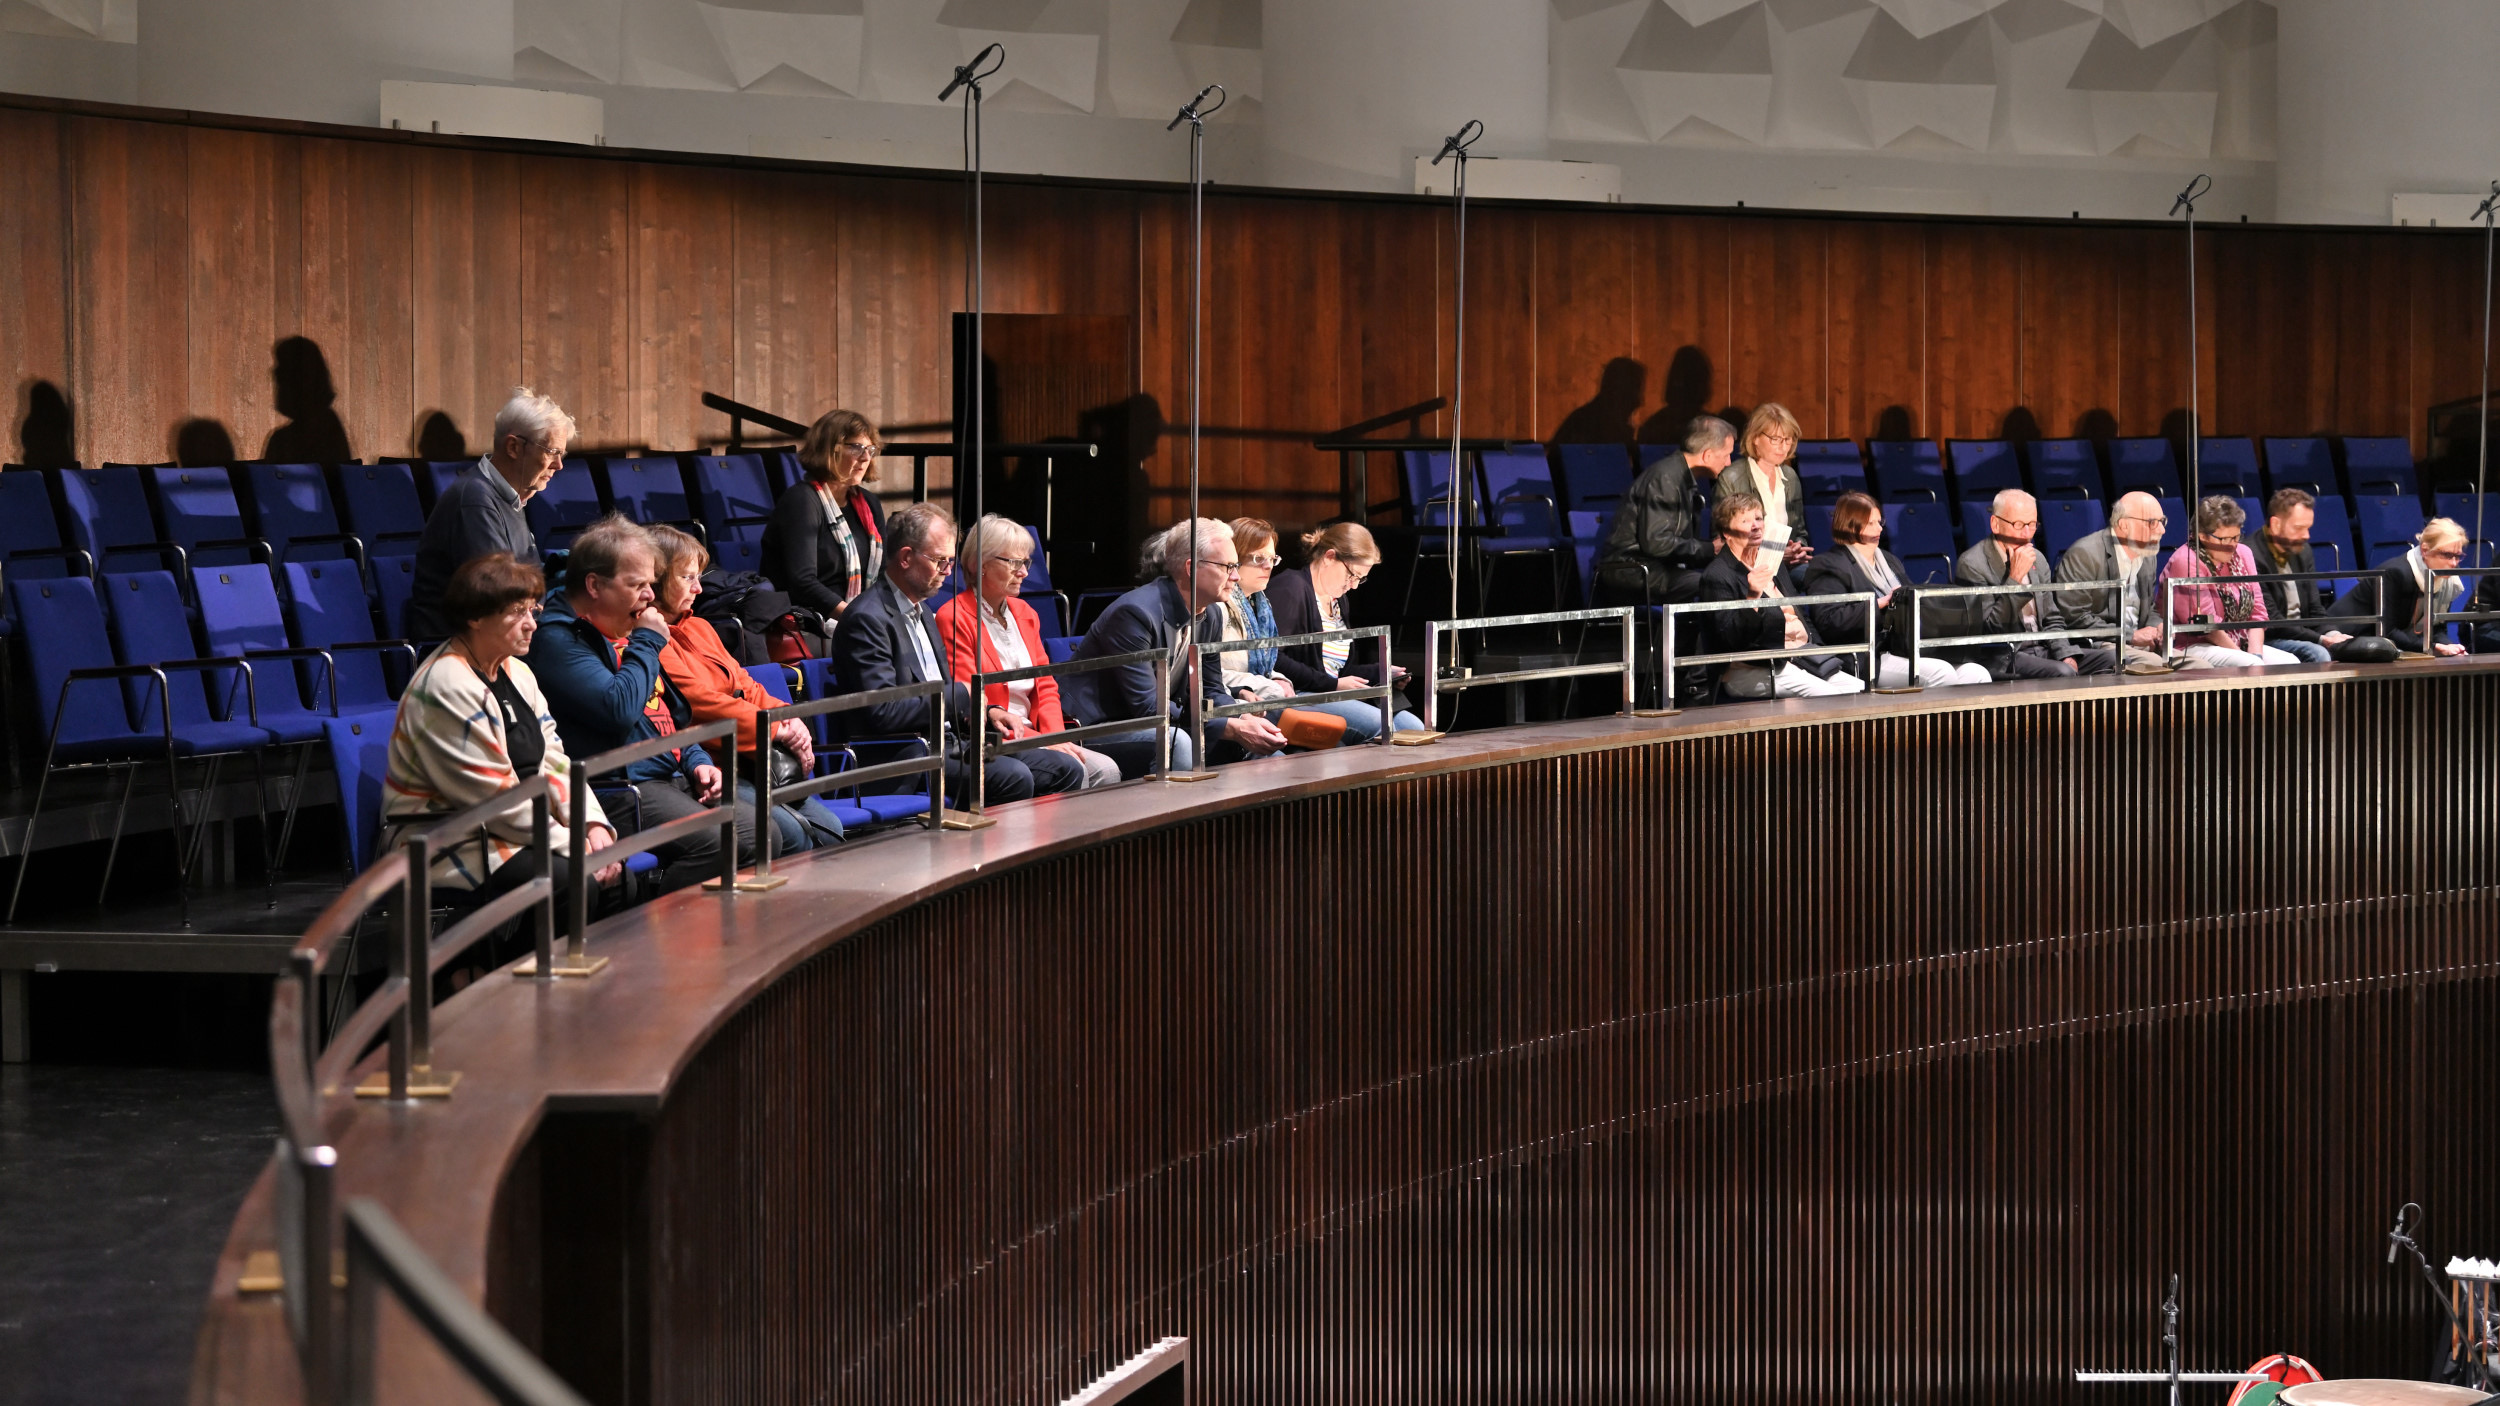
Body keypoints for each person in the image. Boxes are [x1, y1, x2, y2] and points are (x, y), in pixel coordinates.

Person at [527, 515, 759, 893]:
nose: (650, 597)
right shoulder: (559, 640)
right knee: (723, 842)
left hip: (668, 775)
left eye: (651, 584)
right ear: (594, 585)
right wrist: (648, 642)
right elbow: (619, 712)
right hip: (618, 787)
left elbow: (667, 712)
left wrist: (698, 760)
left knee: (763, 832)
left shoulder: (619, 625)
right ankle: (648, 933)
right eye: (638, 585)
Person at [381, 553, 621, 916]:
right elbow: (494, 801)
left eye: (532, 611)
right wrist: (575, 845)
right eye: (516, 613)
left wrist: (592, 826)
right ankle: (482, 972)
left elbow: (554, 760)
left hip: (511, 831)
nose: (531, 625)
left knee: (619, 881)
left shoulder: (518, 672)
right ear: (474, 618)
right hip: (451, 841)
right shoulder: (446, 686)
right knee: (572, 881)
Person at [831, 502, 1088, 803]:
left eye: (950, 561)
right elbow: (884, 712)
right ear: (905, 558)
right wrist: (962, 694)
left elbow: (945, 695)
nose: (948, 572)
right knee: (1014, 777)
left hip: (951, 743)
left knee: (1066, 768)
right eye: (940, 561)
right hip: (907, 755)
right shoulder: (867, 619)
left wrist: (989, 713)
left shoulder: (923, 611)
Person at [645, 526, 849, 854]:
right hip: (713, 763)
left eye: (700, 577)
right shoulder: (649, 638)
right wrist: (776, 727)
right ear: (655, 577)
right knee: (790, 835)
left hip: (754, 755)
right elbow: (698, 703)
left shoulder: (699, 626)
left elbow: (747, 686)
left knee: (830, 829)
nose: (699, 588)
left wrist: (789, 721)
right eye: (687, 578)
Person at [1062, 518, 1292, 775]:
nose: (1235, 576)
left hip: (1161, 719)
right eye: (1228, 566)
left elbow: (1211, 688)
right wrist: (1229, 726)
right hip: (1100, 726)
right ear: (1191, 568)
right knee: (1179, 741)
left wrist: (1240, 718)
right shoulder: (1134, 613)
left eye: (1235, 566)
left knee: (1264, 743)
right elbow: (1148, 708)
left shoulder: (1212, 613)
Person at [933, 513, 1123, 789]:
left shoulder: (1025, 613)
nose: (1023, 572)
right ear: (979, 564)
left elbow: (1045, 686)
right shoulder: (953, 616)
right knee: (1079, 770)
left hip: (1037, 732)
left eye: (1025, 563)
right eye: (1013, 562)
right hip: (995, 735)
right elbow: (969, 696)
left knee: (1107, 769)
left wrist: (1055, 737)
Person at [407, 387, 569, 640]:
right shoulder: (475, 500)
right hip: (461, 656)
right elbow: (500, 599)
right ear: (514, 448)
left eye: (562, 454)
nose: (559, 465)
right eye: (551, 452)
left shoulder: (509, 498)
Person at [1241, 520, 1422, 743]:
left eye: (1361, 579)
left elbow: (1338, 669)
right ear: (1329, 557)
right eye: (1352, 575)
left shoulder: (1339, 601)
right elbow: (1272, 658)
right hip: (1299, 694)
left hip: (1328, 693)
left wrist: (1380, 672)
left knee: (1414, 726)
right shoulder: (1292, 588)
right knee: (1380, 725)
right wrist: (1332, 685)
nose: (1354, 585)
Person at [1798, 492, 1990, 688]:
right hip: (1869, 655)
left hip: (1903, 647)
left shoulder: (1890, 560)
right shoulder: (1828, 564)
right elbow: (1829, 622)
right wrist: (1880, 604)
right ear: (1849, 524)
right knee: (1941, 673)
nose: (1879, 528)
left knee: (1976, 673)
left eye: (1879, 521)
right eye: (1869, 523)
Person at [1697, 491, 1866, 699]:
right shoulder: (1717, 576)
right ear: (1727, 533)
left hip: (1798, 659)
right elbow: (1731, 641)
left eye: (1758, 518)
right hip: (1750, 669)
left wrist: (1818, 650)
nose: (1756, 525)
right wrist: (1752, 597)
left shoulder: (1772, 563)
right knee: (1830, 696)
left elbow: (1799, 614)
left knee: (1859, 691)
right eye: (1745, 520)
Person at [1950, 489, 2116, 678]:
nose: (2028, 534)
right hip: (2005, 654)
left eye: (2032, 524)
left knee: (2112, 660)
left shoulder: (2038, 559)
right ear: (1995, 524)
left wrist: (2064, 653)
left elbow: (2051, 618)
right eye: (2019, 524)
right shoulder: (1972, 564)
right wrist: (2015, 578)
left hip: (2043, 648)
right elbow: (1991, 628)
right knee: (2062, 673)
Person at [761, 408, 887, 648]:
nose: (865, 458)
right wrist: (857, 617)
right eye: (856, 448)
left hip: (858, 615)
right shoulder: (802, 501)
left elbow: (883, 572)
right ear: (830, 450)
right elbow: (803, 583)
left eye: (869, 450)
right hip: (812, 620)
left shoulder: (869, 503)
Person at [2054, 491, 2207, 672]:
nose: (2162, 530)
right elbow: (2074, 618)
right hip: (2103, 644)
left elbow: (2148, 608)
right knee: (2157, 666)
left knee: (2200, 667)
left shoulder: (2148, 555)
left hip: (2140, 644)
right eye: (2152, 523)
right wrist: (2130, 636)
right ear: (2124, 525)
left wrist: (2157, 626)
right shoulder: (2085, 554)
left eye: (2162, 522)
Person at [1594, 415, 1737, 604]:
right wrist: (1710, 549)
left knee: (1737, 576)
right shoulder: (1665, 479)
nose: (1728, 463)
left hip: (1660, 567)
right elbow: (1657, 543)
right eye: (1726, 455)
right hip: (1633, 569)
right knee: (1718, 583)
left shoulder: (1683, 478)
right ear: (1707, 455)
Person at [2157, 496, 2297, 668]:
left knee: (2291, 662)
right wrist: (2247, 659)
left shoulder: (2244, 553)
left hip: (2239, 642)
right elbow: (2208, 627)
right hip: (2191, 645)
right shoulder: (2186, 561)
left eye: (2236, 537)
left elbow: (2258, 614)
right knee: (2250, 665)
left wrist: (2256, 654)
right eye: (2224, 539)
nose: (2232, 545)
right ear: (2203, 537)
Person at [2246, 488, 2359, 663]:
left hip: (2303, 633)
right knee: (2318, 654)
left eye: (2308, 528)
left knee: (2352, 647)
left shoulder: (2303, 551)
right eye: (2299, 528)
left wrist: (2333, 634)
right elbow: (2273, 621)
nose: (2306, 536)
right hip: (2269, 637)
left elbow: (2315, 609)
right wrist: (2321, 639)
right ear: (2276, 524)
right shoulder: (2251, 555)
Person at [2338, 518, 2472, 656]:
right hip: (2350, 638)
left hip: (2392, 646)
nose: (2454, 563)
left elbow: (2437, 629)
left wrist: (2451, 647)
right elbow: (2387, 631)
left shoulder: (2445, 580)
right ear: (2425, 550)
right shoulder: (2396, 573)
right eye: (2447, 555)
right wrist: (2434, 647)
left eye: (2458, 556)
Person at [1716, 403, 1811, 568]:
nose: (1783, 446)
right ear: (1755, 438)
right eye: (1775, 439)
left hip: (1787, 566)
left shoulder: (1790, 476)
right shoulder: (1731, 478)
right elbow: (1726, 541)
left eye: (1787, 439)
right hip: (1747, 567)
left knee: (1824, 576)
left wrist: (1798, 548)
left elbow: (1800, 532)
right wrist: (1776, 554)